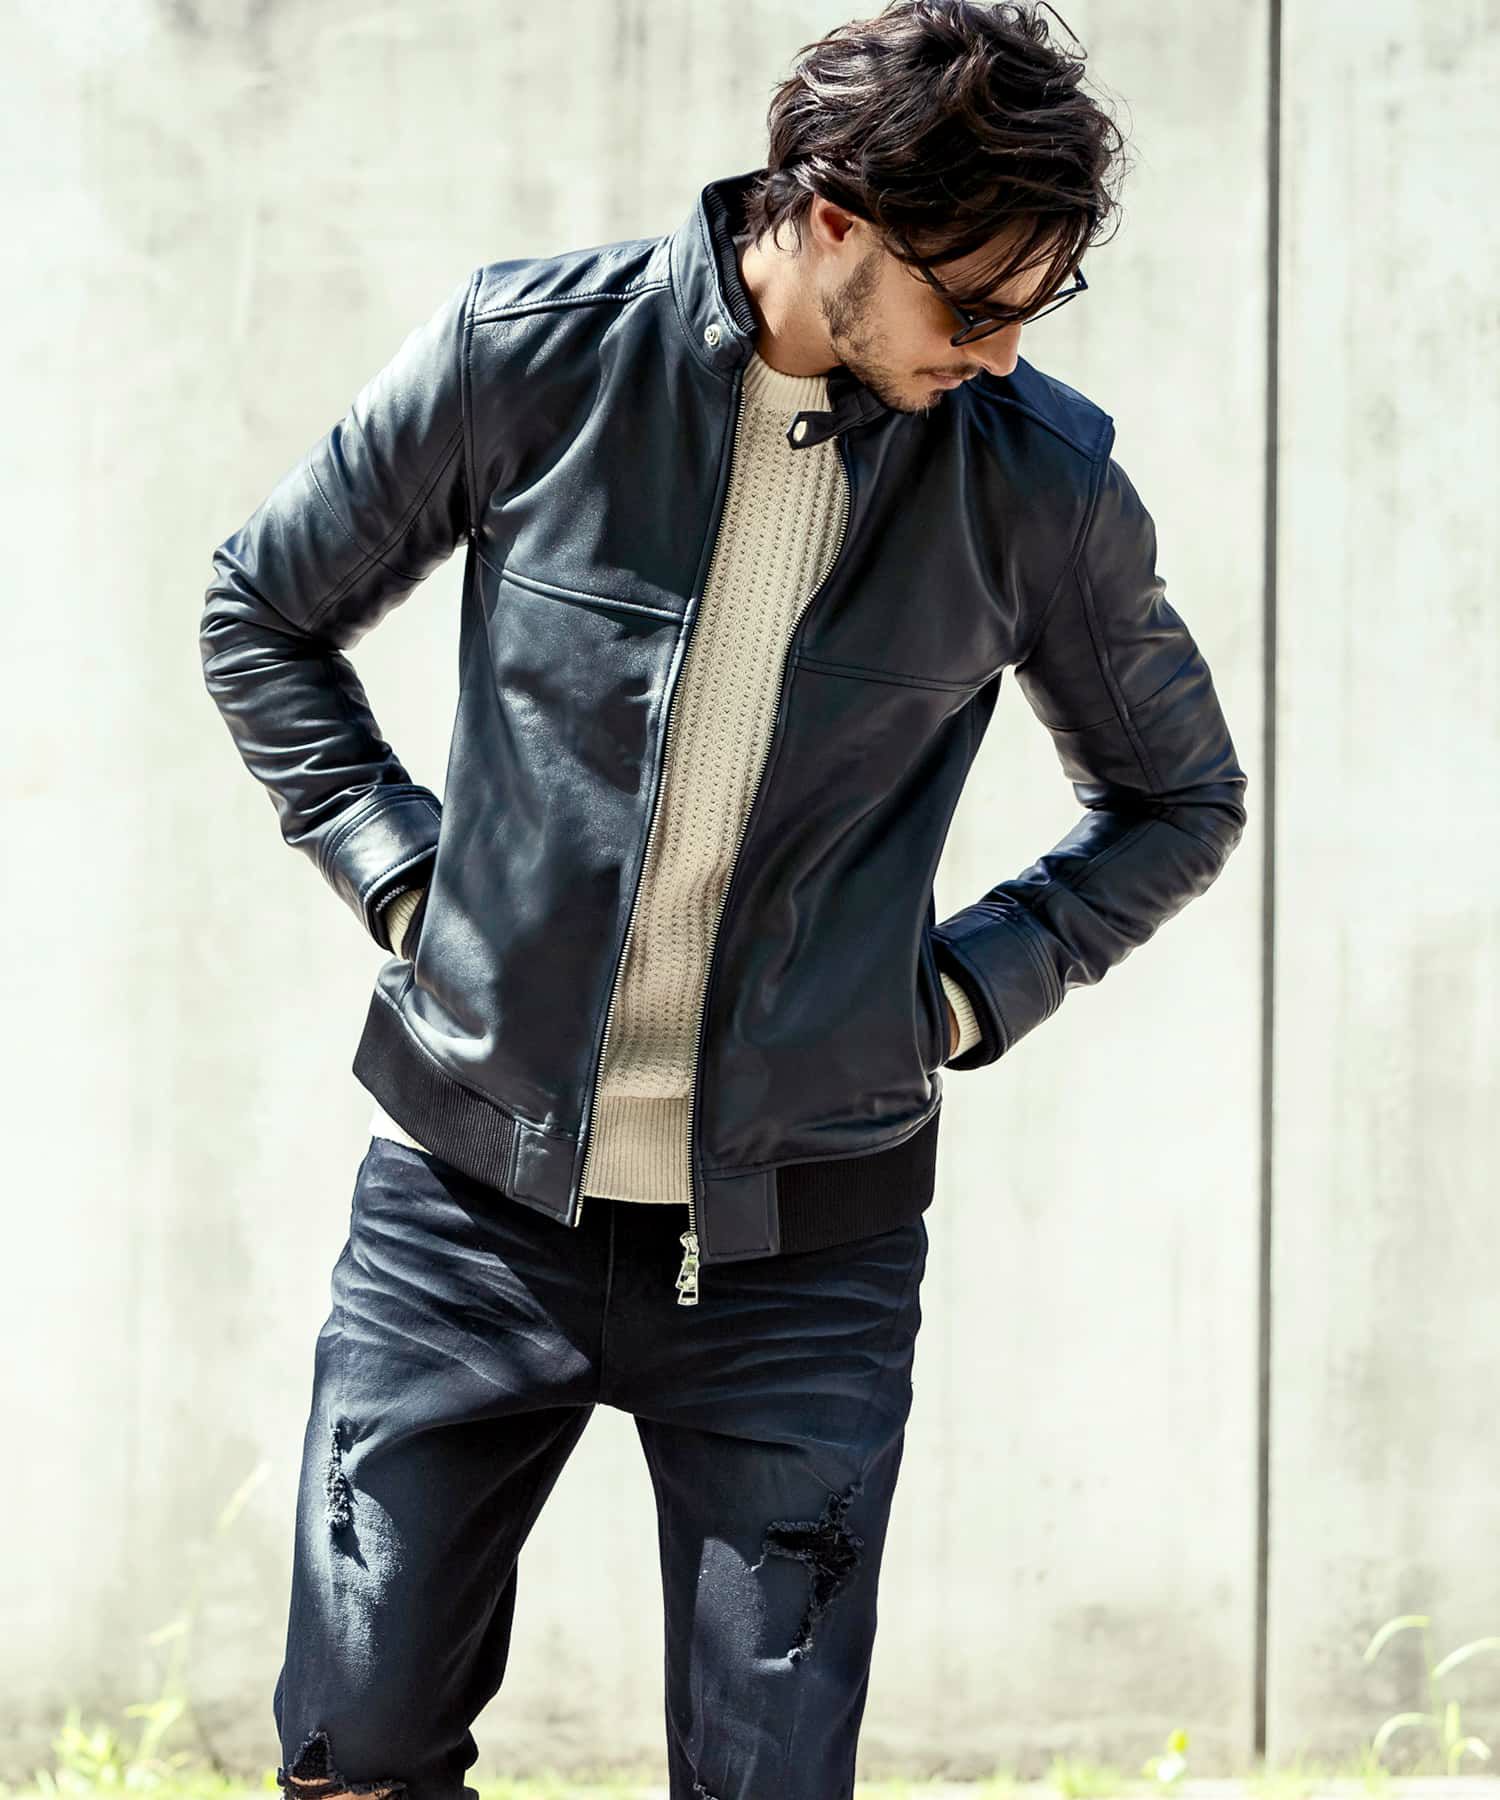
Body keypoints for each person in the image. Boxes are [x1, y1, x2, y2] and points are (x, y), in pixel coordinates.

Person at [199, 3, 1247, 1795]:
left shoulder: (1038, 484)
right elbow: (262, 614)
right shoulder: (531, 356)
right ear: (834, 220)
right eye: (972, 305)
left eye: (1038, 306)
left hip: (804, 1260)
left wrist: (953, 998)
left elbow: (1179, 796)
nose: (1002, 351)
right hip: (469, 1208)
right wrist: (404, 883)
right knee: (349, 1750)